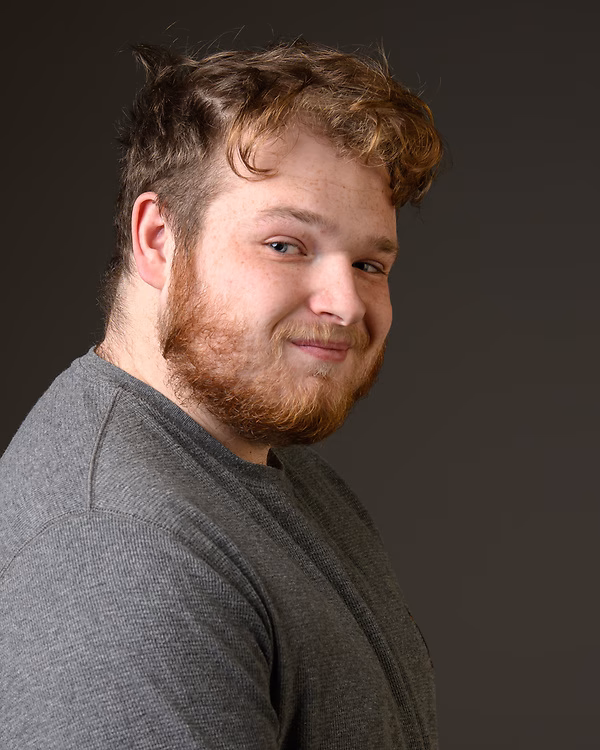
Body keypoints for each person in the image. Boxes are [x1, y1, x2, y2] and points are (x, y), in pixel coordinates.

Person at [0, 40, 443, 749]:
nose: (345, 303)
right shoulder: (122, 553)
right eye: (285, 245)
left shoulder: (278, 477)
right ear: (158, 239)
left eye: (369, 263)